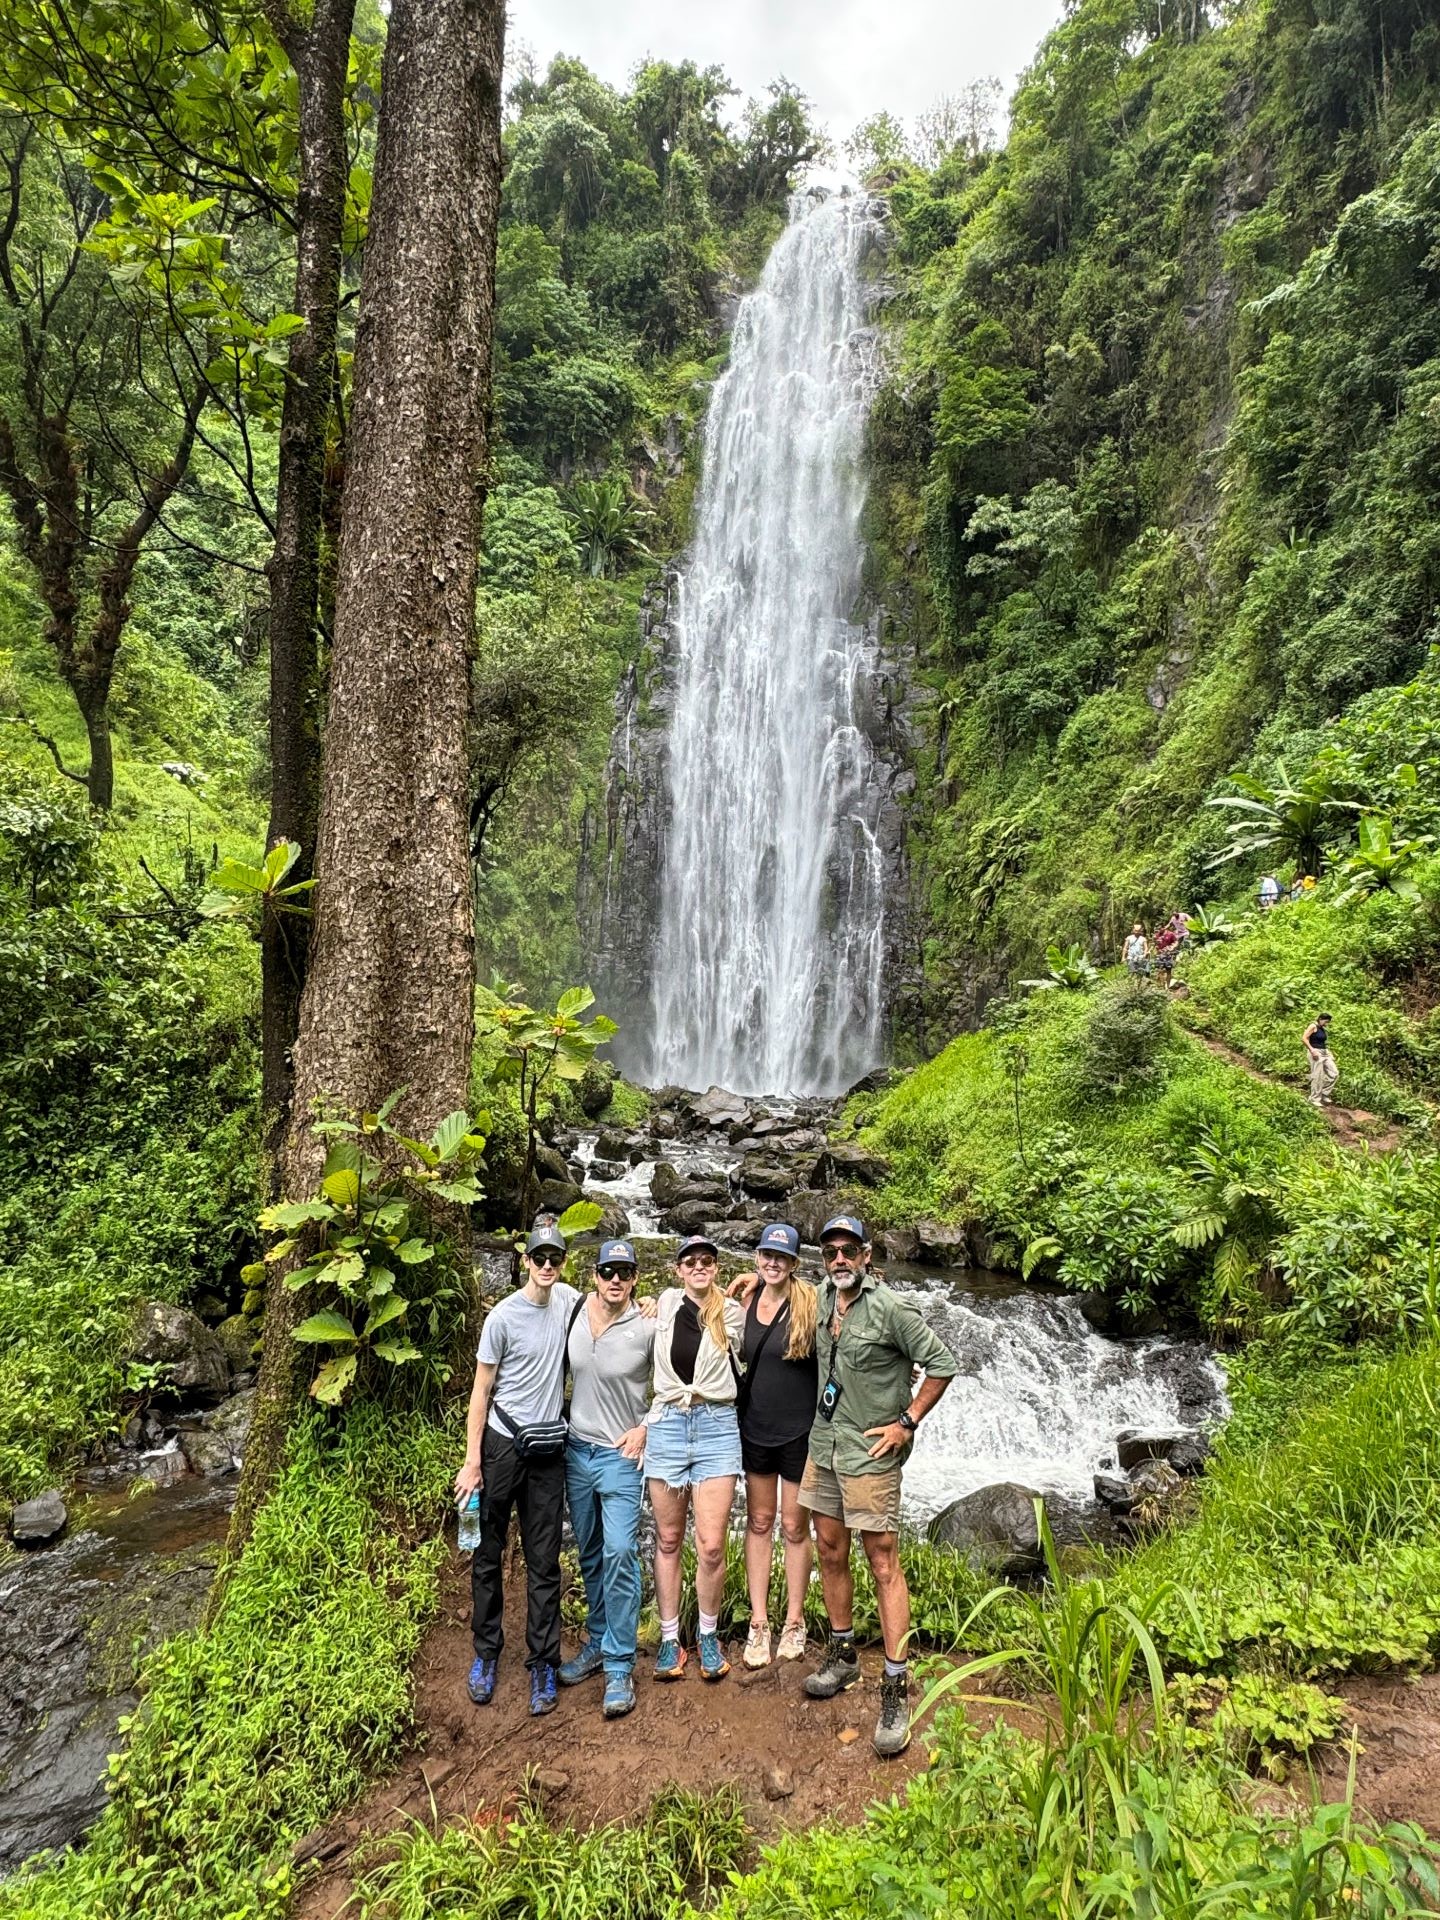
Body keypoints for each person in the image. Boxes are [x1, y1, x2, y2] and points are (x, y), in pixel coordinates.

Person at [799, 1215, 957, 1759]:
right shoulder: (820, 1297)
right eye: (830, 1251)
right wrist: (741, 1283)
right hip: (825, 1446)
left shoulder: (891, 1309)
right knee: (829, 1548)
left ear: (865, 1255)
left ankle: (895, 1684)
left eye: (848, 1250)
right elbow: (777, 1291)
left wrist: (906, 1422)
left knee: (883, 1560)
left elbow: (942, 1362)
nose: (839, 1259)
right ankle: (843, 1655)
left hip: (871, 1451)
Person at [455, 1223, 580, 1717]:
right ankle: (486, 1654)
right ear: (525, 1262)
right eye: (539, 1258)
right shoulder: (502, 1318)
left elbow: (613, 1306)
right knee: (487, 1552)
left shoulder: (570, 1302)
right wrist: (473, 1462)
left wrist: (653, 1307)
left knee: (544, 1561)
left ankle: (543, 1662)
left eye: (555, 1258)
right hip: (502, 1445)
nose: (547, 1266)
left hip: (548, 1448)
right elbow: (480, 1392)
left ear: (563, 1263)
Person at [558, 1238, 655, 1720]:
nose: (615, 1279)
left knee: (620, 1550)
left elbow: (679, 1380)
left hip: (620, 1455)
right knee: (590, 1549)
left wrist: (646, 1427)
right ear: (594, 1275)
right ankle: (598, 1640)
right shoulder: (572, 1311)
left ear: (635, 1278)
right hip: (576, 1450)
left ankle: (619, 1664)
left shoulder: (648, 1325)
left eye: (624, 1271)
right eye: (607, 1270)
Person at [645, 1233, 746, 1683]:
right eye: (691, 1261)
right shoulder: (663, 1305)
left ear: (715, 1268)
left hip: (717, 1426)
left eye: (707, 1260)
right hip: (667, 1424)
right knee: (667, 1539)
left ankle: (707, 1633)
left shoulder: (732, 1313)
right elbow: (619, 1307)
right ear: (679, 1270)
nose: (699, 1267)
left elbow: (775, 1318)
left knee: (710, 1543)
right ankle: (669, 1638)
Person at [735, 1222, 818, 1669]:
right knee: (759, 1521)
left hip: (799, 1432)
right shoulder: (746, 1300)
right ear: (757, 1258)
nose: (773, 1262)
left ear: (794, 1264)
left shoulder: (809, 1303)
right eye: (767, 1254)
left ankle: (794, 1619)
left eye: (781, 1257)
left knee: (793, 1527)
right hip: (754, 1429)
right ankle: (759, 1622)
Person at [1303, 1011, 1339, 1107]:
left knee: (1334, 1073)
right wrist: (1312, 1050)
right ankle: (1314, 1098)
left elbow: (1322, 1042)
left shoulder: (1322, 1028)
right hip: (1315, 1051)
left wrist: (1328, 1052)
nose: (1327, 1024)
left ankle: (1324, 1093)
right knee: (1318, 1076)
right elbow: (1304, 1038)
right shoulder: (1313, 1026)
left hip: (1324, 1052)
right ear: (1320, 1019)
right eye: (1326, 1022)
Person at [1153, 921, 1178, 989]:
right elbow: (1155, 944)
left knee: (1168, 970)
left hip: (1168, 954)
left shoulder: (1170, 934)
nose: (1159, 930)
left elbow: (1176, 942)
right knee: (1159, 970)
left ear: (1164, 927)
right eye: (1157, 929)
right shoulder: (1157, 935)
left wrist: (1172, 948)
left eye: (1160, 928)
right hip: (1159, 954)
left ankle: (1167, 986)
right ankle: (1160, 985)